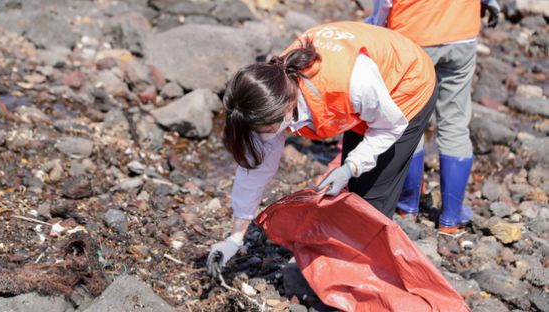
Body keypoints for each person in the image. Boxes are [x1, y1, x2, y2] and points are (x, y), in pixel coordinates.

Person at [206, 21, 438, 278]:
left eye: (263, 130)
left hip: (406, 84)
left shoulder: (350, 84)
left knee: (371, 202)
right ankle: (347, 261)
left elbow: (388, 126)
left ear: (283, 112)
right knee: (355, 189)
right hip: (361, 96)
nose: (262, 137)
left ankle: (364, 279)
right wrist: (235, 239)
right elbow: (255, 168)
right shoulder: (268, 93)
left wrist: (350, 166)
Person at [366, 0, 500, 233]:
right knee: (455, 123)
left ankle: (407, 204)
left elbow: (384, 4)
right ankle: (450, 217)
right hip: (461, 31)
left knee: (409, 116)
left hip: (413, 32)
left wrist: (377, 29)